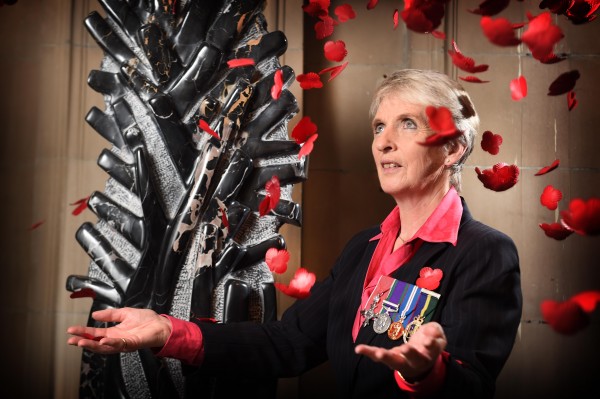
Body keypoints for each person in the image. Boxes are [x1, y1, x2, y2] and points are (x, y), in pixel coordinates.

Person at [67, 69, 522, 398]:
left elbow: (474, 385)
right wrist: (167, 330)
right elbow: (287, 344)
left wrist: (427, 374)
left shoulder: (485, 252)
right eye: (379, 126)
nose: (383, 142)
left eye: (408, 124)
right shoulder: (364, 248)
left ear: (453, 148)